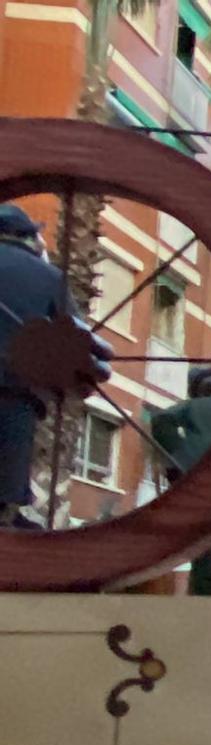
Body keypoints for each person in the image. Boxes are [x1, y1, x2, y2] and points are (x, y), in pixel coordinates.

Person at [0, 204, 76, 528]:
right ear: (28, 238)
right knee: (5, 492)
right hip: (17, 394)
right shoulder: (49, 276)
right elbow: (74, 337)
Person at [146, 364, 211, 594]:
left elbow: (161, 420)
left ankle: (204, 579)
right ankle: (208, 580)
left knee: (199, 531)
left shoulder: (192, 407)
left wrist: (177, 452)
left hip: (191, 473)